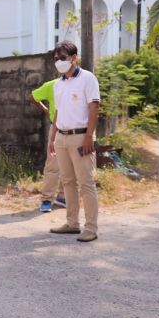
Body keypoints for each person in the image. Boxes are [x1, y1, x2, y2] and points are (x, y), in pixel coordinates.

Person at [48, 41, 101, 242]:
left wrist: (89, 136)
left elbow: (94, 108)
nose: (59, 62)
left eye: (63, 58)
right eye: (56, 59)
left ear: (74, 58)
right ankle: (72, 223)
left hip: (81, 137)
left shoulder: (88, 78)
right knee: (67, 181)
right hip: (62, 137)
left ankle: (91, 228)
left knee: (86, 183)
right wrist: (53, 138)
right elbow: (58, 113)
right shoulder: (58, 84)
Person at [30, 78, 66, 212]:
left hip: (75, 130)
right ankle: (46, 200)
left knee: (70, 167)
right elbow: (33, 97)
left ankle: (63, 198)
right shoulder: (51, 85)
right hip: (57, 128)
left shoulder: (79, 84)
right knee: (53, 166)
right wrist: (46, 110)